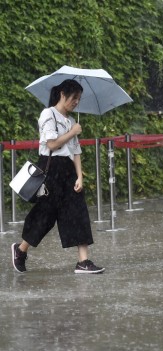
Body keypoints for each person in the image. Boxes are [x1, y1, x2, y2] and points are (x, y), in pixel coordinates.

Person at [11, 79, 105, 274]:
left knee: (78, 213)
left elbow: (76, 151)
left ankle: (83, 261)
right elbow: (52, 144)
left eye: (79, 99)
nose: (76, 102)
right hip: (50, 169)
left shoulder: (71, 121)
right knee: (45, 215)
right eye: (74, 98)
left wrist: (80, 176)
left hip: (69, 171)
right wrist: (72, 132)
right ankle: (20, 250)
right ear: (63, 94)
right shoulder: (48, 114)